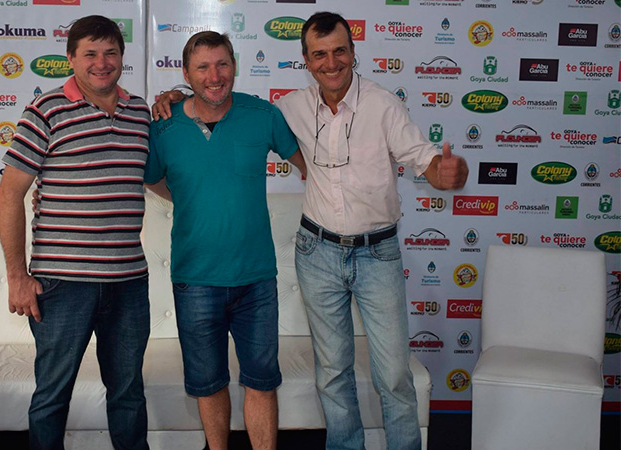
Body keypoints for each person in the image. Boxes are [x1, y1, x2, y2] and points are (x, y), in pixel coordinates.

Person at [152, 12, 468, 450]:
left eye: (339, 51)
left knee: (394, 373)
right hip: (313, 252)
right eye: (320, 54)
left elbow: (423, 159)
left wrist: (444, 171)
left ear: (353, 52)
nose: (330, 62)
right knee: (331, 374)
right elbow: (185, 139)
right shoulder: (287, 108)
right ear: (306, 60)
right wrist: (172, 97)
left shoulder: (374, 106)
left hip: (372, 254)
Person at [145, 31, 305, 450]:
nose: (214, 76)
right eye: (202, 67)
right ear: (186, 74)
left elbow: (310, 166)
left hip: (256, 279)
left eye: (222, 64)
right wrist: (190, 196)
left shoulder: (263, 115)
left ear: (234, 65)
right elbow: (154, 178)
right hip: (195, 279)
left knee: (261, 382)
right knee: (208, 383)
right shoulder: (164, 125)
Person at [0, 15, 151, 450]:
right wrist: (17, 276)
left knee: (128, 394)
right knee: (52, 396)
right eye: (90, 54)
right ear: (71, 58)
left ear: (122, 56)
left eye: (111, 53)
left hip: (128, 281)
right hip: (63, 284)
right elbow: (9, 194)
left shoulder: (140, 112)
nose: (102, 63)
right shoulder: (46, 110)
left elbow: (155, 176)